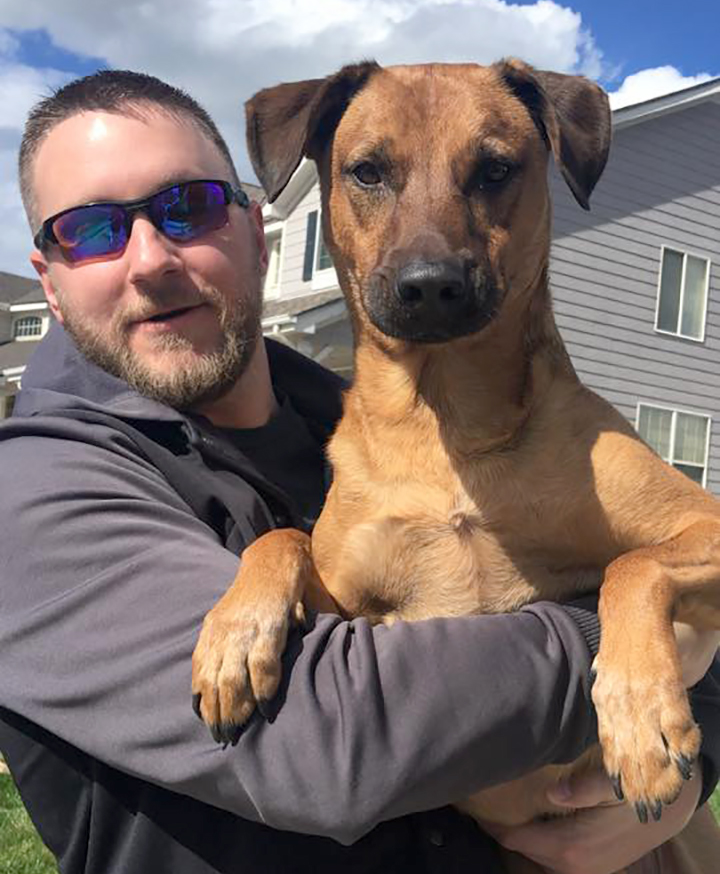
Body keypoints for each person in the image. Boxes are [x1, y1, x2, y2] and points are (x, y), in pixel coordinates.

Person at [0, 69, 717, 874]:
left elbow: (703, 584)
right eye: (92, 230)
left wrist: (687, 718)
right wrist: (276, 562)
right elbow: (328, 746)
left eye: (187, 208)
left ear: (251, 218)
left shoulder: (340, 432)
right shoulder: (31, 497)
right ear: (49, 282)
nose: (150, 259)